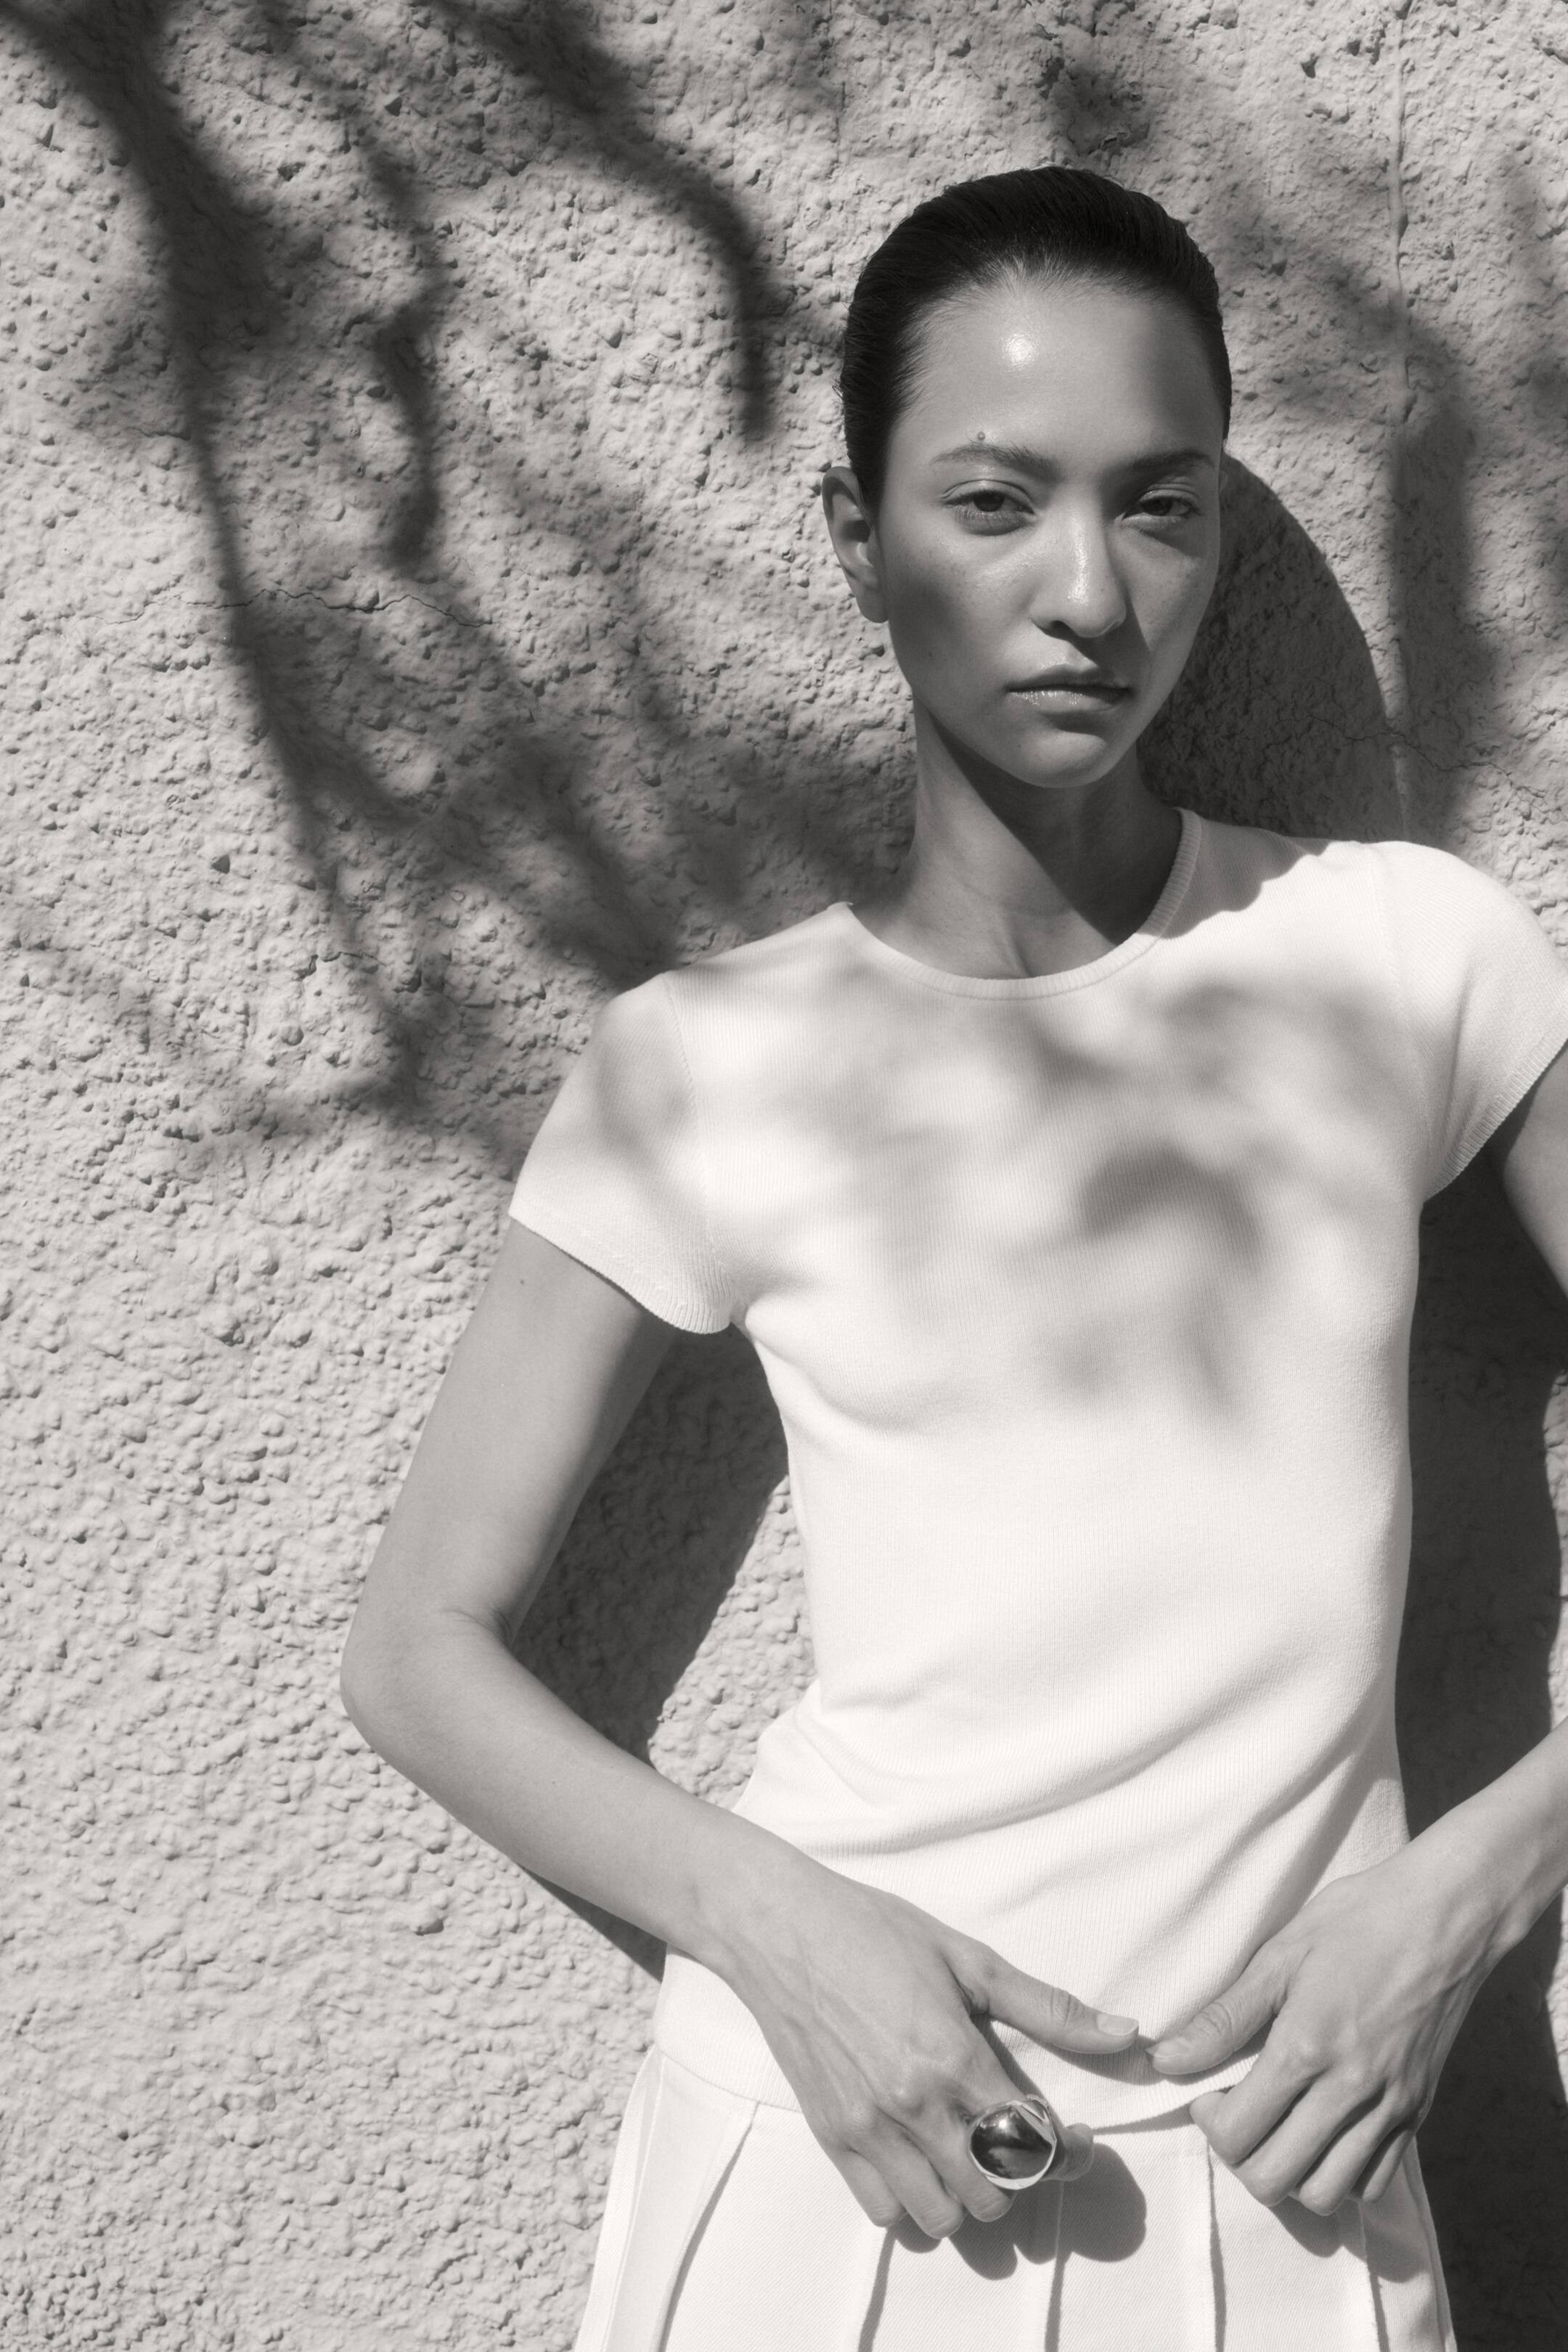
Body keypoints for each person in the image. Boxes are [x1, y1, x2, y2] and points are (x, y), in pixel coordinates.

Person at [339, 166, 1568, 2350]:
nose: (1088, 593)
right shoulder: (705, 1065)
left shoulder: (1408, 953)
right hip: (848, 2157)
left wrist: (1472, 1886)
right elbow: (418, 1652)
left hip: (1292, 2161)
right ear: (858, 536)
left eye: (1160, 507)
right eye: (995, 503)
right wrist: (780, 1935)